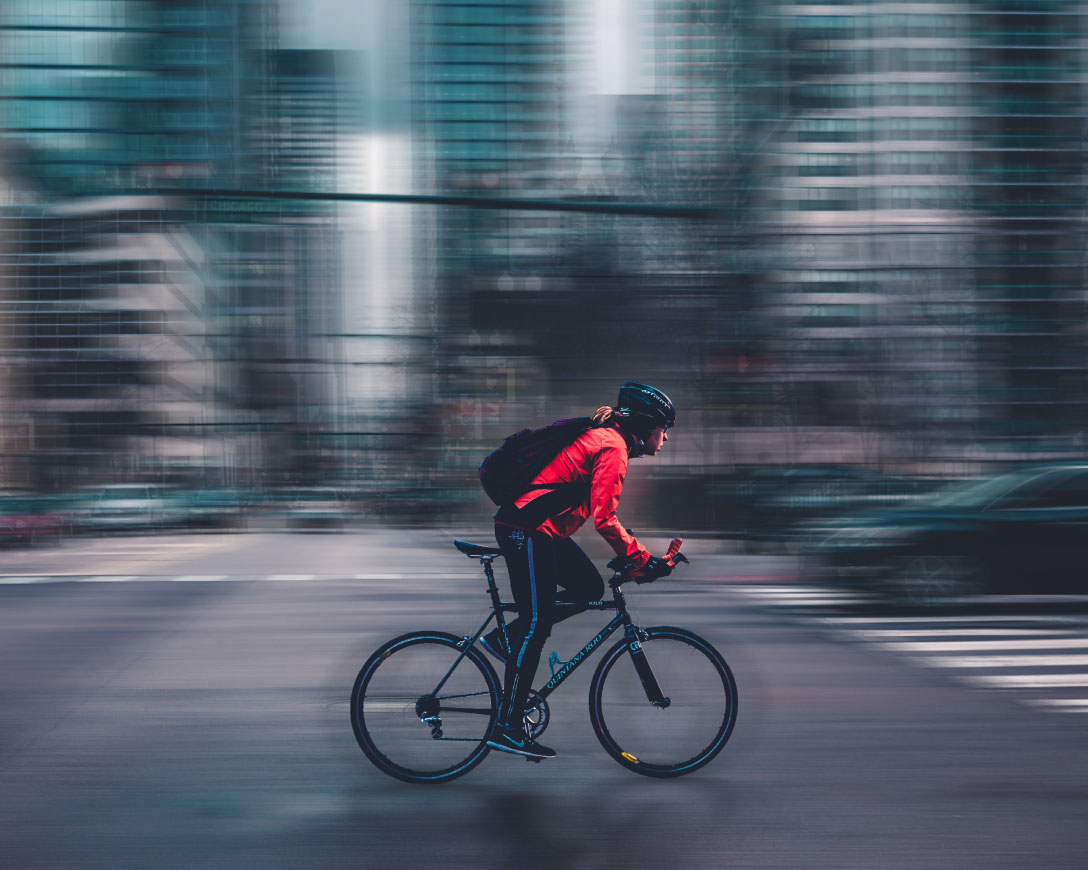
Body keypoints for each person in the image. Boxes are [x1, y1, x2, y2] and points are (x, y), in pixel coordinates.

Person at [483, 381, 677, 759]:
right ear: (647, 425)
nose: (666, 437)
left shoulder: (609, 441)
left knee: (589, 587)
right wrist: (640, 558)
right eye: (664, 428)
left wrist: (633, 557)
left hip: (540, 530)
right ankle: (507, 726)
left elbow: (598, 513)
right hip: (526, 529)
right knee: (537, 625)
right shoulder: (613, 446)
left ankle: (507, 639)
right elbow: (605, 519)